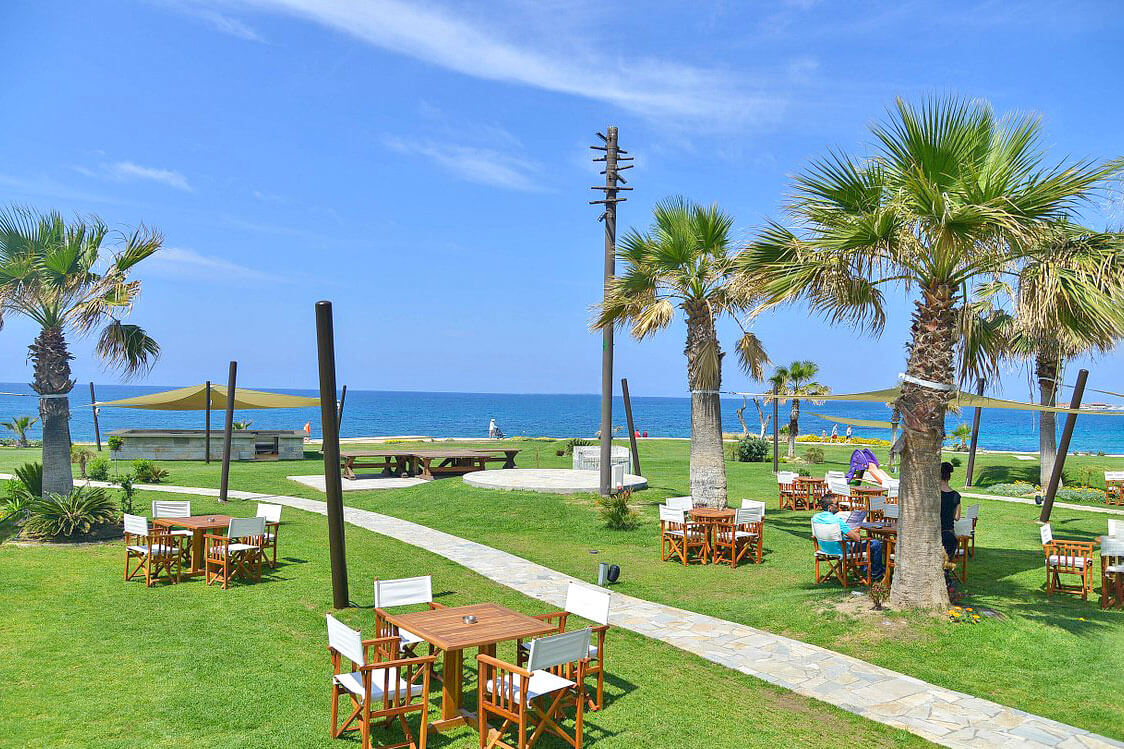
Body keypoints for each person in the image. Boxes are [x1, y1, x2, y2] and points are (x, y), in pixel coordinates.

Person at [812, 496, 885, 581]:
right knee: (876, 544)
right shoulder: (837, 521)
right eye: (836, 504)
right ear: (830, 507)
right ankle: (876, 574)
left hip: (825, 548)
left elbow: (829, 533)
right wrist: (857, 530)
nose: (839, 506)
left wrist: (849, 531)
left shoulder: (816, 518)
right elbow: (857, 538)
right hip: (842, 550)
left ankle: (864, 570)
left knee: (864, 545)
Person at [940, 461, 962, 563]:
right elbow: (957, 517)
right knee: (946, 565)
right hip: (948, 534)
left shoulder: (934, 494)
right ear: (949, 477)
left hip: (934, 534)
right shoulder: (956, 495)